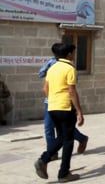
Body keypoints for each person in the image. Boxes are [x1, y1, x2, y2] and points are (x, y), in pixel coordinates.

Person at [34, 43, 85, 182]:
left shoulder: (52, 68)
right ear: (69, 54)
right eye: (73, 53)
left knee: (61, 137)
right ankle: (63, 173)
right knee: (68, 141)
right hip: (65, 107)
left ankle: (44, 159)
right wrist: (79, 111)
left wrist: (52, 100)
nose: (74, 55)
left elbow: (45, 88)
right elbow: (72, 91)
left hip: (52, 106)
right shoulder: (69, 68)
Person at [38, 48, 89, 160]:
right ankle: (52, 155)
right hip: (52, 102)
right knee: (51, 128)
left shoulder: (69, 67)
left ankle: (49, 158)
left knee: (65, 132)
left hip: (63, 103)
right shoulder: (52, 65)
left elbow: (72, 87)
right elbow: (41, 76)